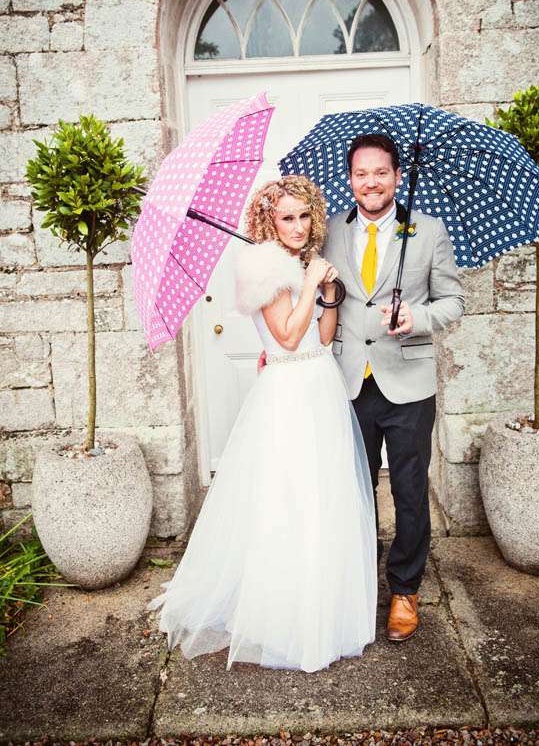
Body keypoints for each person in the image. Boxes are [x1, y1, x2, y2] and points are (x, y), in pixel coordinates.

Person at [147, 175, 377, 673]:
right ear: (269, 221)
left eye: (304, 216)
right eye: (287, 217)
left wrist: (328, 291)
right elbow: (288, 338)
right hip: (288, 392)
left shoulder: (301, 263)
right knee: (287, 496)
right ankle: (282, 613)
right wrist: (310, 283)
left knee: (322, 495)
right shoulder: (262, 265)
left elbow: (322, 335)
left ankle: (321, 605)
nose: (298, 226)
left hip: (321, 385)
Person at [322, 134, 464, 643]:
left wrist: (417, 317)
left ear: (398, 176)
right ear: (350, 179)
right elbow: (316, 296)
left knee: (408, 491)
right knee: (353, 489)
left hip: (408, 384)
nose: (371, 182)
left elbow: (453, 302)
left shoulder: (428, 231)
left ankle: (405, 588)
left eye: (381, 172)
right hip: (347, 380)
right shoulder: (329, 230)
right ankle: (358, 581)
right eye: (361, 173)